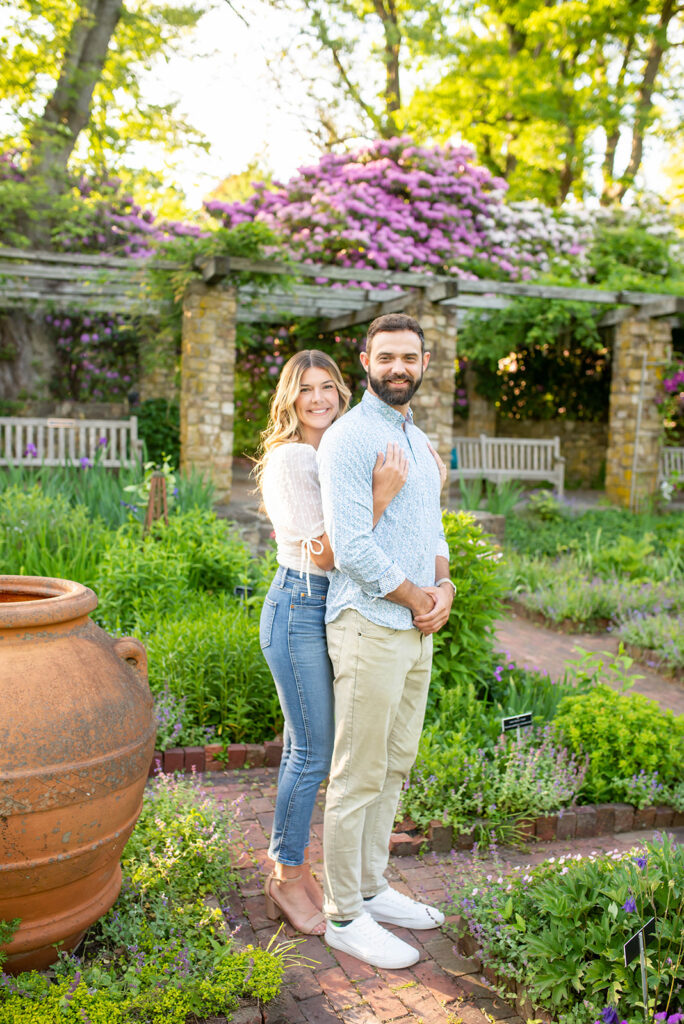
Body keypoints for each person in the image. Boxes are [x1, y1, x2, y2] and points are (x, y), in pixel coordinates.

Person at [255, 349, 413, 936]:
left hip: (326, 609)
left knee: (319, 749)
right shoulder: (294, 458)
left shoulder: (331, 451)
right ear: (289, 399)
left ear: (342, 392)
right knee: (311, 752)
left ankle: (292, 870)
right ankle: (286, 879)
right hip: (299, 604)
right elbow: (326, 552)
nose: (318, 398)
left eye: (327, 387)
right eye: (305, 389)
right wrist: (382, 493)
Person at [317, 313, 454, 969]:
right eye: (387, 356)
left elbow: (432, 533)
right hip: (369, 625)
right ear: (365, 360)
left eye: (410, 357)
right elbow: (349, 548)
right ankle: (344, 914)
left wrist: (444, 590)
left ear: (425, 362)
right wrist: (414, 596)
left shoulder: (420, 441)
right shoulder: (348, 440)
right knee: (357, 773)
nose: (399, 367)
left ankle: (373, 888)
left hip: (416, 628)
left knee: (395, 765)